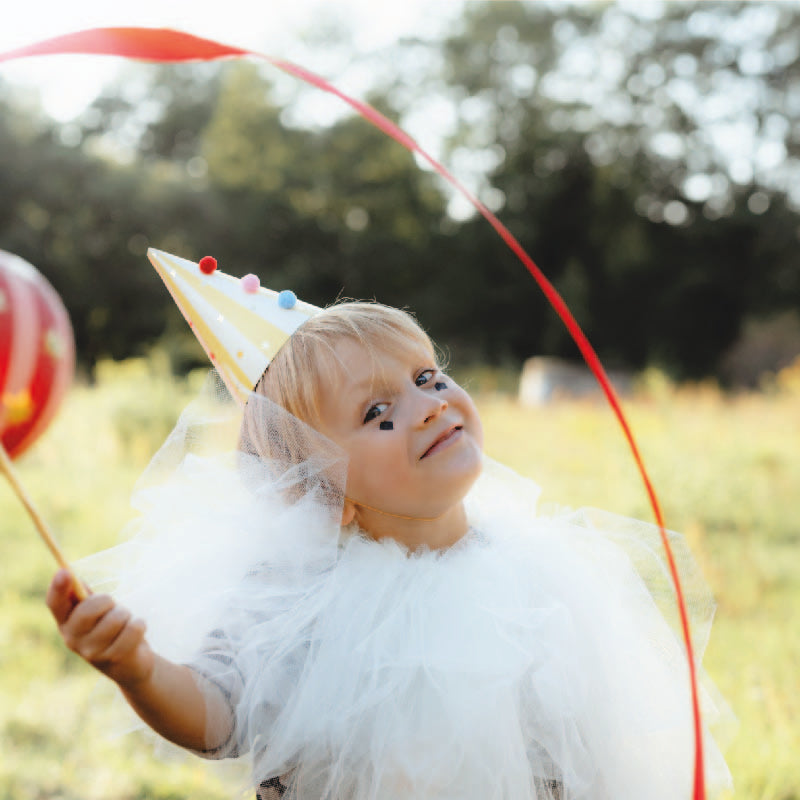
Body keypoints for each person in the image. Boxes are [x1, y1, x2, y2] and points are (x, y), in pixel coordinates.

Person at [47, 251, 733, 799]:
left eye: (428, 377)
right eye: (378, 413)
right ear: (321, 491)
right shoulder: (300, 599)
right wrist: (138, 670)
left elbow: (598, 749)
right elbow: (219, 716)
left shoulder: (542, 570)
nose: (429, 405)